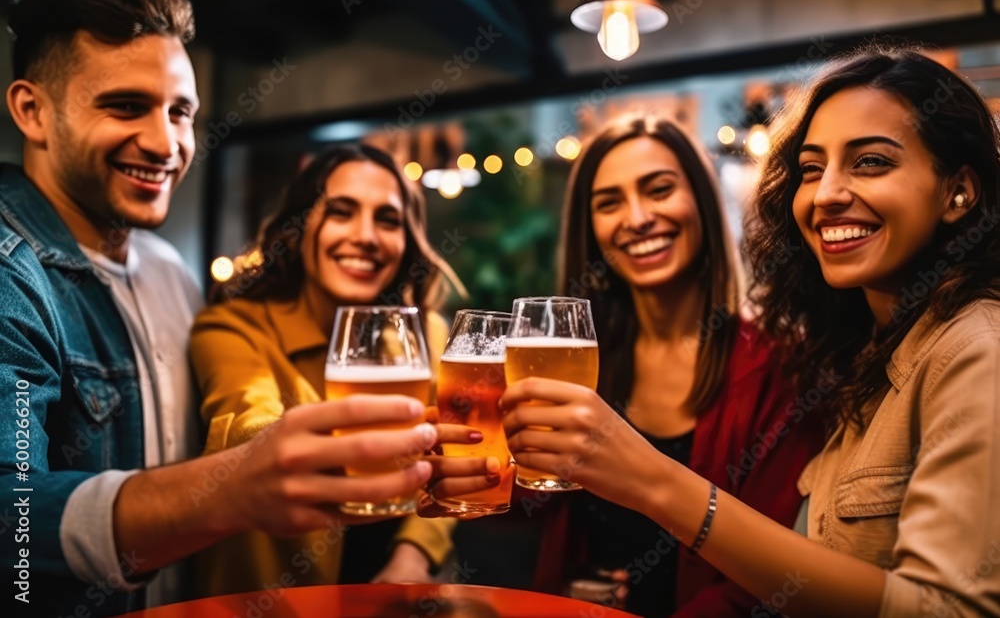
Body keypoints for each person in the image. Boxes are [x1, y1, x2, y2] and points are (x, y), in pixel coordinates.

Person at [0, 0, 488, 617]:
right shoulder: (13, 273)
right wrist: (244, 477)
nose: (164, 141)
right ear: (31, 110)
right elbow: (14, 515)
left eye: (181, 113)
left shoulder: (168, 269)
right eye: (125, 106)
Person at [502, 47, 1000, 617]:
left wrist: (656, 481)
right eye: (812, 169)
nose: (828, 193)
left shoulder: (972, 348)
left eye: (870, 162)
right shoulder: (860, 357)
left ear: (959, 190)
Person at [519, 115, 822, 617]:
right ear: (590, 230)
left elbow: (769, 582)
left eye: (658, 190)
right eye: (609, 203)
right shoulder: (580, 360)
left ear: (701, 203)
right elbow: (539, 510)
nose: (636, 218)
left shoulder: (777, 368)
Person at [189, 143, 486, 596]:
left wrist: (412, 557)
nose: (366, 235)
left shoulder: (426, 331)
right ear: (301, 226)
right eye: (341, 212)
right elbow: (247, 418)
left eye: (387, 220)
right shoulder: (235, 326)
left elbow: (449, 470)